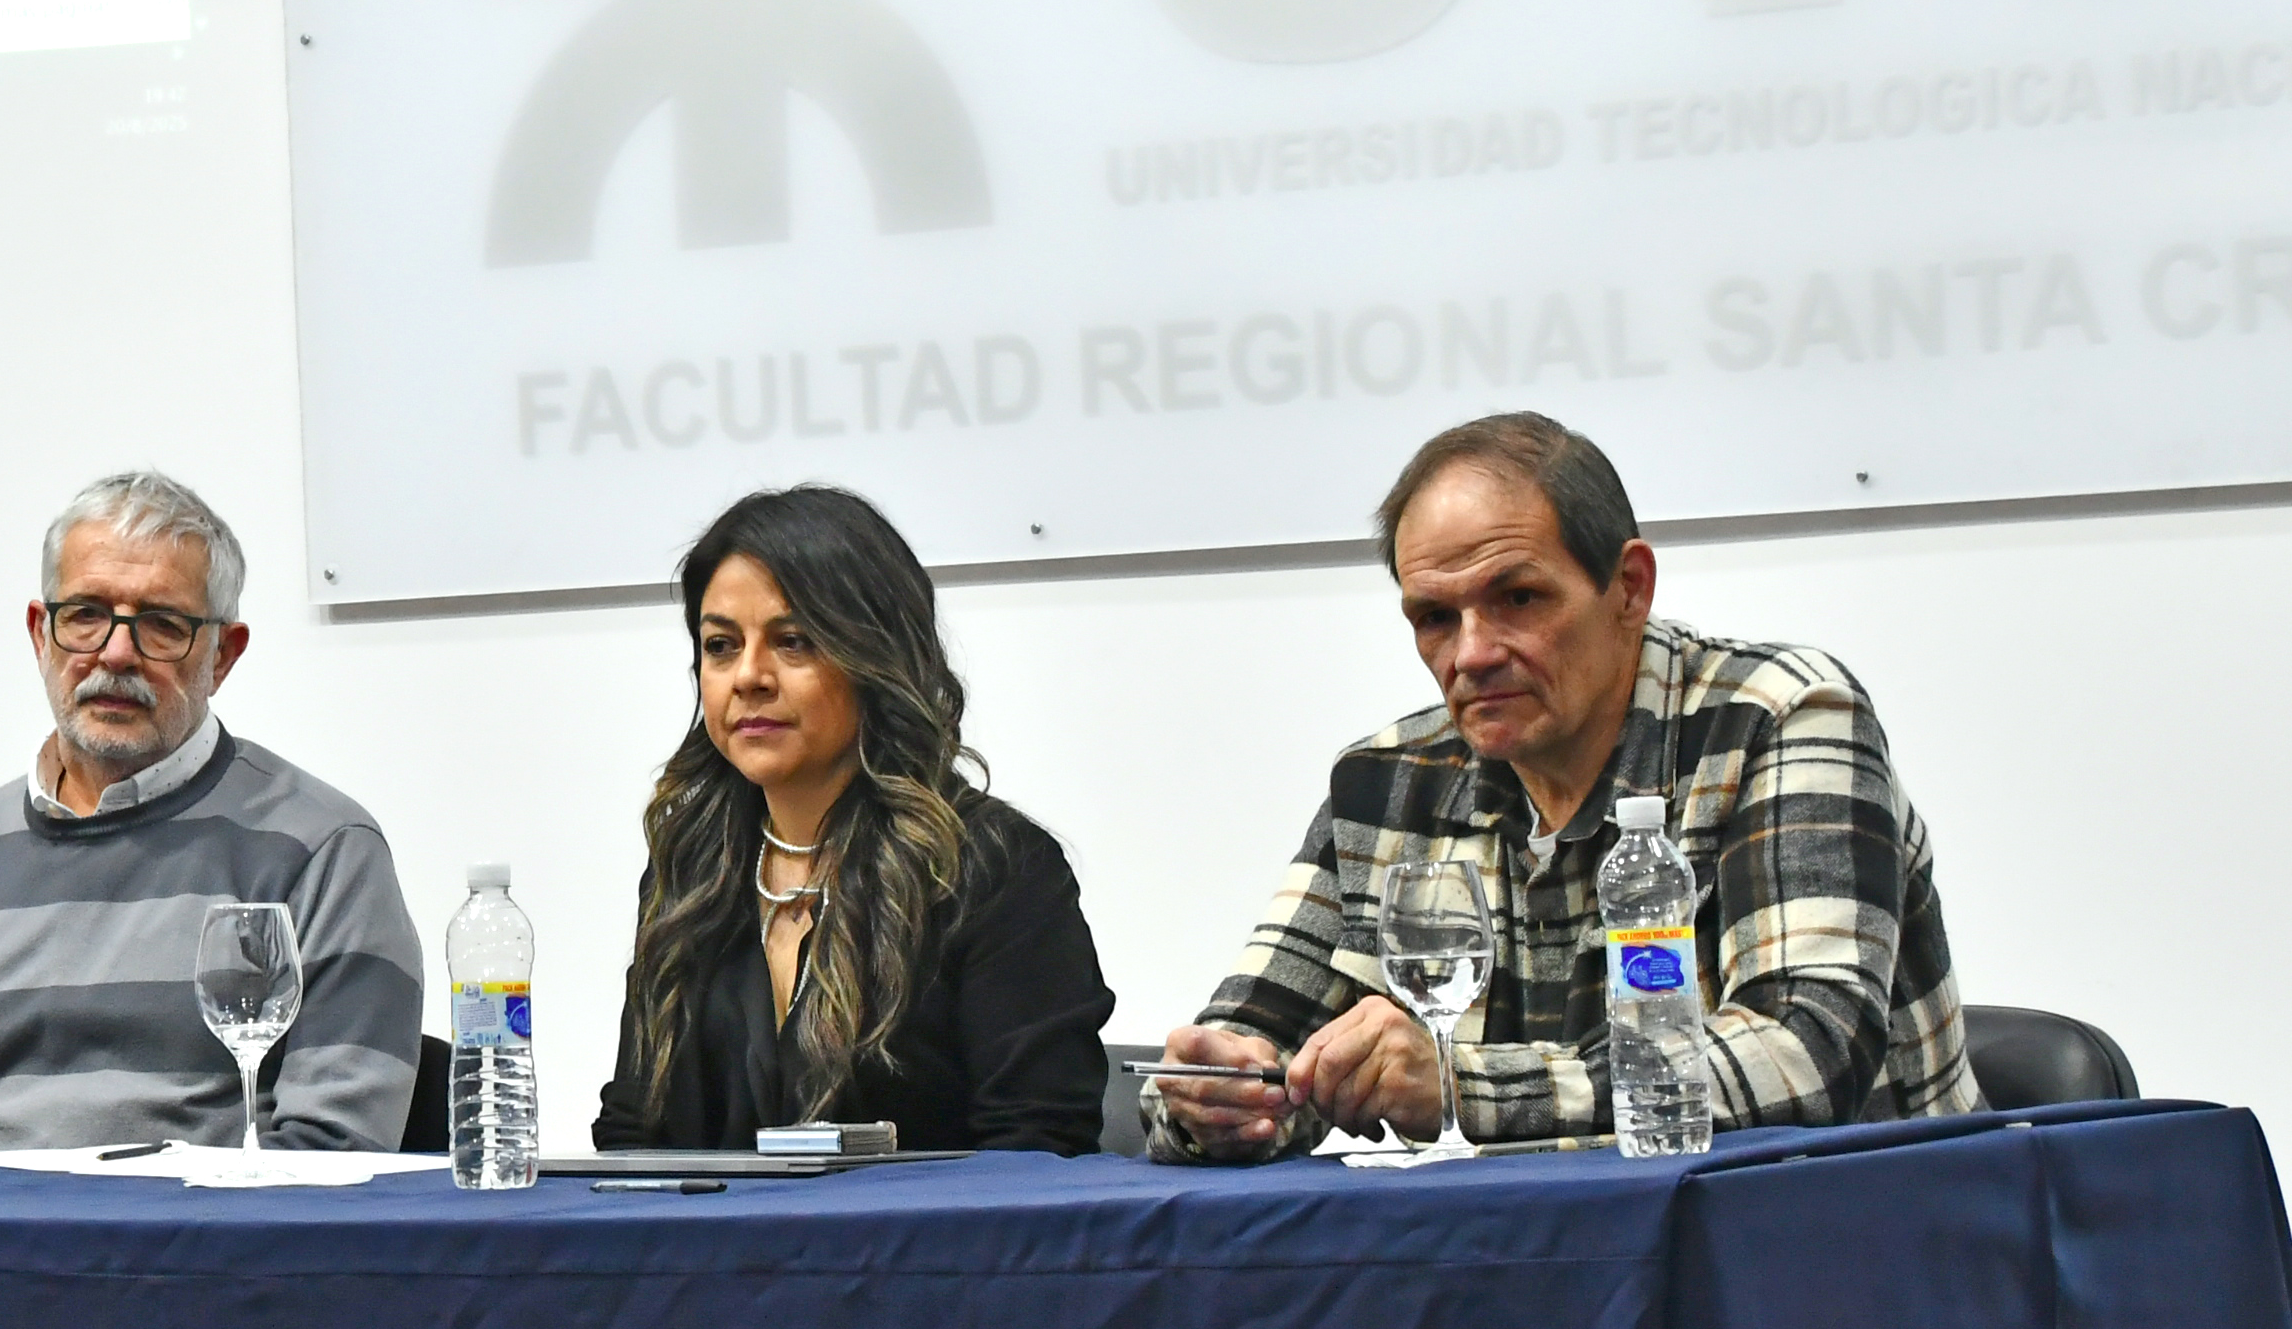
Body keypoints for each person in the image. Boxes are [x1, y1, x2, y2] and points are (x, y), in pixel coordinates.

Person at [1154, 413, 1976, 1163]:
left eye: (1517, 598)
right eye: (1435, 618)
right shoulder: (1387, 781)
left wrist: (1456, 1086)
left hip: (1848, 1255)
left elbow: (1806, 1052)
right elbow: (1233, 1050)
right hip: (1556, 1267)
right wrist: (1223, 1096)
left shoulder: (1778, 718)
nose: (1471, 653)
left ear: (1629, 588)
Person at [0, 471, 427, 1154]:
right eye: (85, 614)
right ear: (40, 633)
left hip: (201, 1256)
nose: (115, 654)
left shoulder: (321, 852)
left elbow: (334, 1158)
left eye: (161, 625)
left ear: (222, 657)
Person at [596, 485, 1115, 1154]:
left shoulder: (993, 868)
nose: (748, 676)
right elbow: (634, 1129)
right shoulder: (693, 866)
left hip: (921, 1253)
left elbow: (1039, 1146)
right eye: (721, 646)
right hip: (709, 1253)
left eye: (794, 642)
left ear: (874, 655)